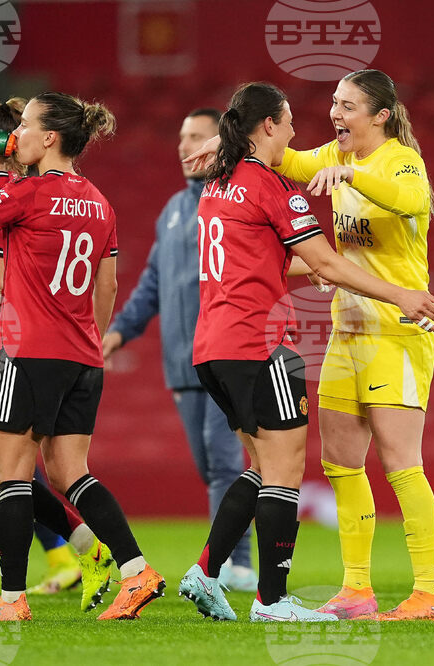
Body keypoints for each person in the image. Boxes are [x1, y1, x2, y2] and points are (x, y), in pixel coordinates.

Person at [176, 81, 434, 623]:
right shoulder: (330, 155)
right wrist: (226, 144)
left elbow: (413, 201)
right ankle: (357, 590)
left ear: (382, 115)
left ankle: (427, 592)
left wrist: (352, 174)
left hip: (397, 328)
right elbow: (284, 156)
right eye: (332, 104)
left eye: (347, 106)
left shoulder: (402, 163)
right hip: (345, 331)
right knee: (341, 465)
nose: (334, 114)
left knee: (400, 463)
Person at [0, 92, 164, 621]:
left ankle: (10, 600)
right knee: (72, 472)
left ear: (50, 138)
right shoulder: (99, 201)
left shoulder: (25, 194)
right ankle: (138, 572)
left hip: (32, 353)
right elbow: (108, 286)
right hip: (83, 355)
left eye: (24, 125)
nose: (15, 134)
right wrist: (87, 334)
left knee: (14, 477)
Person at [102, 108, 256, 591]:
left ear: (219, 143)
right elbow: (152, 282)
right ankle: (232, 561)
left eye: (197, 137)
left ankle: (236, 564)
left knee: (224, 462)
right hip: (181, 364)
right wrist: (121, 330)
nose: (185, 147)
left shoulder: (232, 199)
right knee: (210, 465)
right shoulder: (172, 210)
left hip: (223, 353)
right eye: (181, 137)